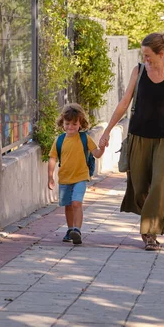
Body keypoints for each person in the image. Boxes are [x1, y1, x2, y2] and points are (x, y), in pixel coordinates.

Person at [99, 32, 164, 251]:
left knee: (160, 186)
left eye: (148, 55)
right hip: (138, 136)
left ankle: (149, 232)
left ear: (161, 54)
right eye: (143, 55)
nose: (145, 59)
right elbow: (125, 102)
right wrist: (107, 130)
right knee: (140, 187)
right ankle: (151, 222)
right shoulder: (139, 71)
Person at [48, 103, 105, 245]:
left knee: (76, 203)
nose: (71, 127)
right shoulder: (59, 140)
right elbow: (52, 158)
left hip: (80, 177)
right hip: (65, 178)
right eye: (67, 124)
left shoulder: (85, 138)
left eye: (74, 124)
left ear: (80, 123)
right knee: (68, 205)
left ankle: (77, 230)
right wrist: (50, 177)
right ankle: (70, 230)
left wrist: (102, 147)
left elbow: (96, 154)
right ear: (63, 123)